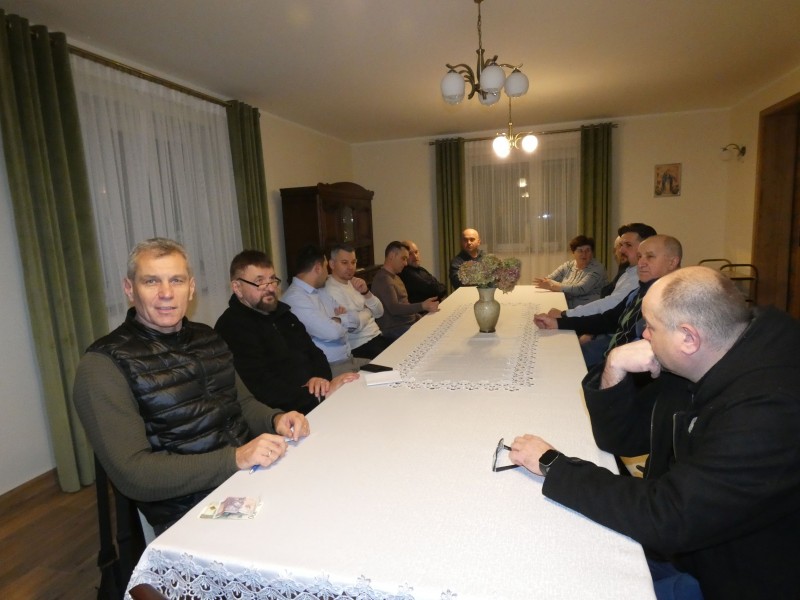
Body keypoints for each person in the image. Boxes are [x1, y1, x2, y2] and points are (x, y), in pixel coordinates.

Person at [509, 266, 800, 600]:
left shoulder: (770, 412)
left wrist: (553, 464)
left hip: (731, 577)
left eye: (650, 326)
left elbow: (668, 517)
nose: (644, 335)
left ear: (688, 338)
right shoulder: (711, 354)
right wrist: (614, 366)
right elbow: (622, 438)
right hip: (692, 545)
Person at [73, 238, 309, 535]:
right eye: (151, 281)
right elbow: (133, 474)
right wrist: (236, 458)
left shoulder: (207, 338)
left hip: (247, 478)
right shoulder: (103, 365)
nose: (166, 293)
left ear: (191, 287)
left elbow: (243, 403)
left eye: (176, 280)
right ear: (129, 289)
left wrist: (275, 419)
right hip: (189, 513)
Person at [214, 250, 358, 415]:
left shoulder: (284, 315)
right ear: (237, 288)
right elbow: (263, 389)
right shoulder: (232, 327)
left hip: (316, 400)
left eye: (272, 279)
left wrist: (321, 381)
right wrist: (316, 395)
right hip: (283, 416)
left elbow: (315, 353)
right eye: (260, 282)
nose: (270, 288)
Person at [535, 235, 682, 368]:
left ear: (672, 262)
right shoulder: (639, 291)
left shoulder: (672, 302)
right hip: (612, 357)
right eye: (639, 257)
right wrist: (558, 323)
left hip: (623, 369)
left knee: (558, 361)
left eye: (650, 257)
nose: (641, 263)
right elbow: (608, 320)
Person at [546, 223, 657, 319]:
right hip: (589, 314)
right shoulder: (628, 271)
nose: (620, 250)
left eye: (628, 245)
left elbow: (607, 304)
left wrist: (566, 314)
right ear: (573, 253)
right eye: (620, 245)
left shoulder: (639, 276)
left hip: (591, 315)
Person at [282, 245, 364, 376]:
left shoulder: (321, 291)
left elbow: (355, 320)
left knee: (388, 369)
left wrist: (335, 320)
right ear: (318, 268)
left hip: (349, 360)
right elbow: (333, 333)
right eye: (326, 267)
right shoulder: (295, 299)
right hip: (329, 368)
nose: (328, 273)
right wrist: (341, 320)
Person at [324, 244, 392, 359]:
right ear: (332, 264)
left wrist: (366, 292)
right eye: (344, 263)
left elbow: (379, 312)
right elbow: (354, 325)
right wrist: (368, 311)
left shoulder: (354, 282)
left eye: (353, 262)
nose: (350, 267)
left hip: (377, 336)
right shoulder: (330, 290)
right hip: (359, 345)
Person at [371, 241, 439, 340]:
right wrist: (422, 306)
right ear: (392, 256)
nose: (405, 263)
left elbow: (404, 304)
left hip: (406, 323)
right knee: (432, 336)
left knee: (436, 325)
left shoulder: (395, 277)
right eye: (403, 259)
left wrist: (418, 317)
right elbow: (394, 308)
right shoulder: (383, 279)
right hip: (394, 328)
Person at [533, 235, 607, 308]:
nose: (584, 254)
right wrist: (548, 283)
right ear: (573, 253)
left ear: (592, 252)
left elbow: (580, 289)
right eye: (580, 251)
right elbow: (548, 279)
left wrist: (554, 286)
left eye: (587, 250)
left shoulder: (597, 268)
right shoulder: (568, 265)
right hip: (567, 306)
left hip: (587, 310)